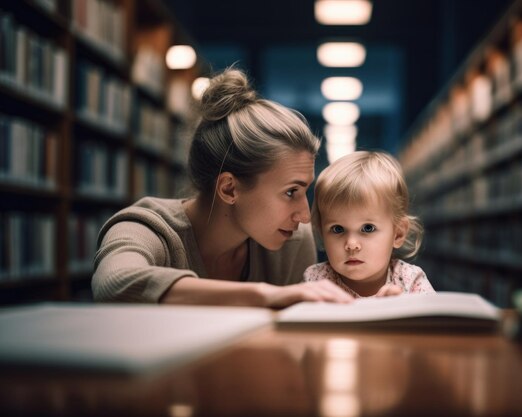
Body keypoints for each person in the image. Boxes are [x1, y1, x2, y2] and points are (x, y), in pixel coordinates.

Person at [92, 68, 353, 307]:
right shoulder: (149, 228)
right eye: (290, 192)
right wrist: (262, 295)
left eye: (305, 192)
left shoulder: (294, 241)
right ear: (229, 189)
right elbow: (114, 282)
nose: (305, 215)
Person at [304, 151, 435, 297]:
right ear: (322, 233)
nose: (352, 244)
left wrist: (402, 310)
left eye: (368, 228)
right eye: (338, 229)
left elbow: (436, 318)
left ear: (397, 234)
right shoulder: (316, 282)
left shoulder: (410, 281)